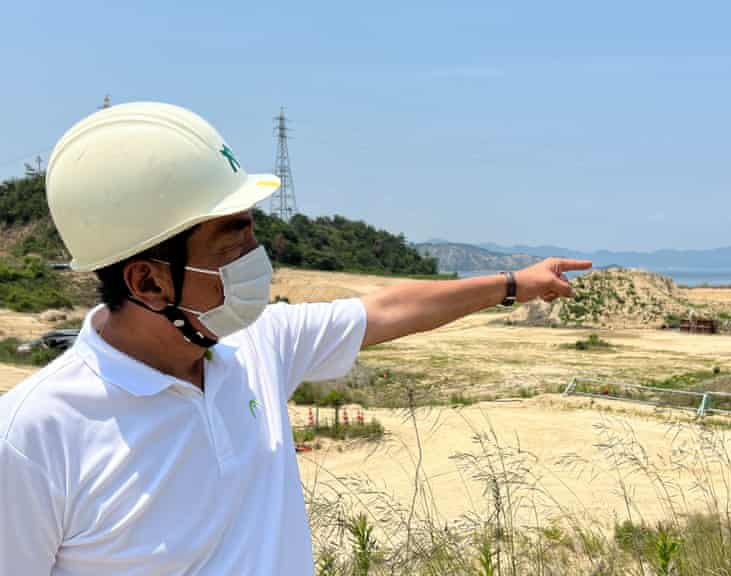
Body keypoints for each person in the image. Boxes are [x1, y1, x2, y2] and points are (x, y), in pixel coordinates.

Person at [0, 102, 591, 575]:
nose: (257, 261)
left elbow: (387, 308)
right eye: (232, 244)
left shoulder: (257, 346)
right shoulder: (33, 437)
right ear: (148, 280)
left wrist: (515, 284)